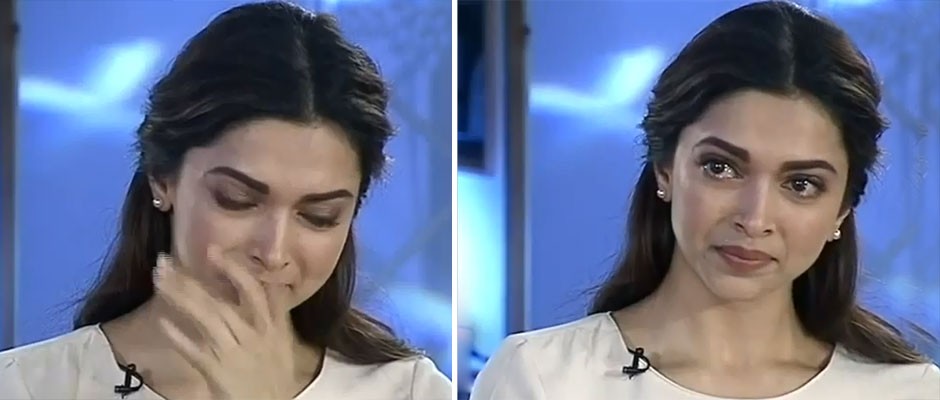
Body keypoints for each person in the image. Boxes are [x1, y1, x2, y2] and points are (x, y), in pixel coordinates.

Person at [470, 1, 940, 399]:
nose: (754, 218)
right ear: (665, 169)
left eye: (801, 184)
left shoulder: (910, 390)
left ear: (842, 208)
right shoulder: (543, 378)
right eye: (721, 167)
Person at [0, 2, 451, 399]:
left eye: (319, 216)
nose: (273, 252)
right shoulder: (27, 386)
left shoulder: (410, 390)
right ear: (162, 178)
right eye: (237, 200)